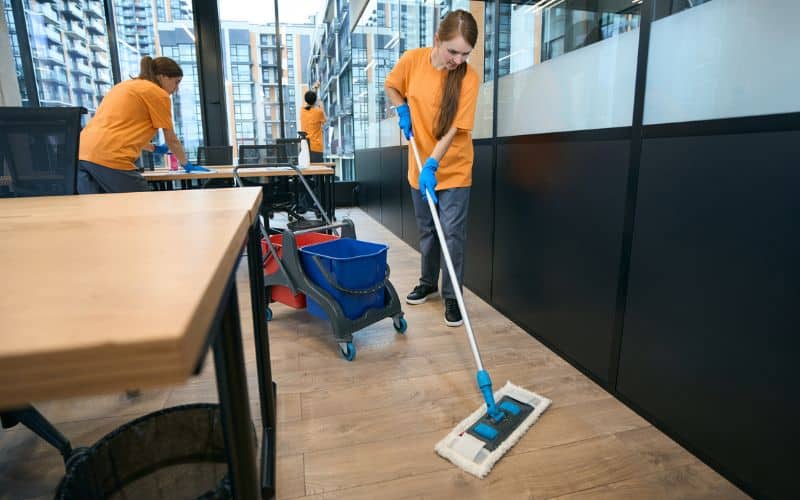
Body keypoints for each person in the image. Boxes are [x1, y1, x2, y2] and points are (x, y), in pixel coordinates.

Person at [384, 10, 479, 327]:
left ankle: (452, 297)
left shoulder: (469, 78)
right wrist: (401, 107)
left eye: (465, 54)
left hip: (453, 169)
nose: (458, 60)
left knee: (452, 235)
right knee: (427, 232)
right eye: (453, 51)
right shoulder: (413, 60)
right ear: (437, 40)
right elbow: (391, 85)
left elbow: (454, 130)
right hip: (418, 166)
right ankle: (427, 282)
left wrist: (434, 164)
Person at [77, 55, 205, 194]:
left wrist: (153, 148)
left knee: (101, 211)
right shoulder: (157, 93)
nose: (177, 88)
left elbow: (118, 128)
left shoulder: (123, 86)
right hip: (110, 157)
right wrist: (186, 163)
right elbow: (171, 138)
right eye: (176, 82)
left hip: (81, 154)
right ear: (163, 77)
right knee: (144, 207)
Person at [299, 86, 327, 163]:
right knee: (317, 171)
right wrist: (320, 103)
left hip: (304, 146)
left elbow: (309, 101)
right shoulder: (319, 112)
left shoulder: (302, 111)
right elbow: (325, 120)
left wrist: (314, 90)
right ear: (315, 101)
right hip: (316, 147)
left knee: (306, 172)